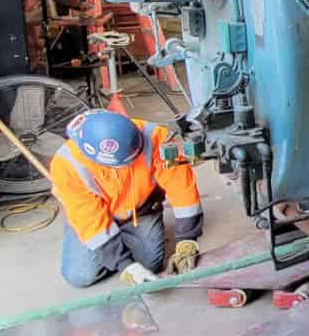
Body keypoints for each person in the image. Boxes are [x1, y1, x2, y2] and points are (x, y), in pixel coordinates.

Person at [51, 109, 203, 288]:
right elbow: (88, 216)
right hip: (93, 217)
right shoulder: (66, 165)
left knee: (150, 266)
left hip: (141, 211)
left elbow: (181, 187)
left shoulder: (157, 137)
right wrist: (125, 264)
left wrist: (187, 238)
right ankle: (110, 245)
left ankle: (118, 246)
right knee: (80, 276)